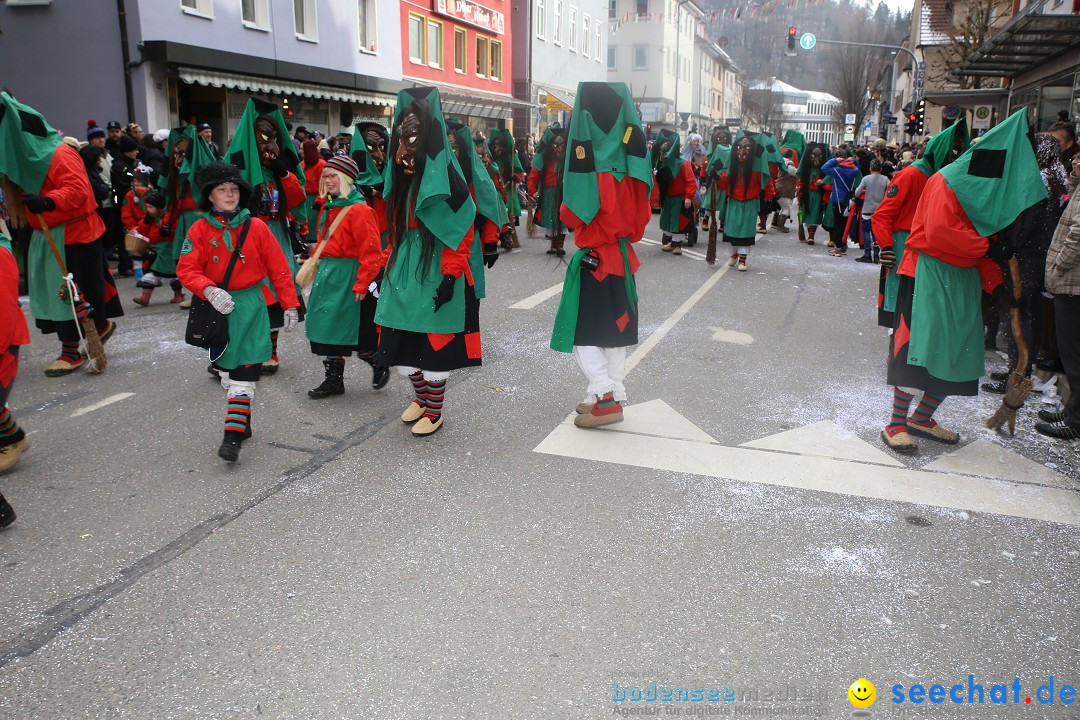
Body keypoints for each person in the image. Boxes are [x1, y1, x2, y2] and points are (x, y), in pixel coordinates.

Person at [881, 109, 1047, 454]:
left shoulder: (985, 192)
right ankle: (896, 423)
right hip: (926, 275)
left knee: (958, 353)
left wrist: (998, 286)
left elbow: (984, 243)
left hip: (962, 282)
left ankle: (922, 418)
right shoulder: (945, 180)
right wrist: (990, 248)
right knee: (916, 352)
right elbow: (942, 233)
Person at [371, 87, 480, 437]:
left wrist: (450, 277)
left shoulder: (449, 181)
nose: (403, 151)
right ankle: (421, 398)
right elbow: (395, 232)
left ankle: (435, 410)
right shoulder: (402, 183)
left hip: (434, 267)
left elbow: (460, 232)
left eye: (413, 138)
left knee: (433, 345)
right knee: (400, 343)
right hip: (404, 269)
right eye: (399, 141)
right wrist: (382, 265)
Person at [177, 163, 300, 462]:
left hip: (251, 307)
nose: (229, 195)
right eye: (222, 190)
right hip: (217, 310)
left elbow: (279, 268)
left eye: (234, 189)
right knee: (226, 371)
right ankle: (241, 419)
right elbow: (186, 268)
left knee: (245, 372)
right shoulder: (199, 229)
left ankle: (231, 437)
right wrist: (208, 289)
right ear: (210, 196)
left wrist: (290, 304)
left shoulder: (256, 227)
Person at [549, 81, 652, 427]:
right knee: (614, 330)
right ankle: (605, 393)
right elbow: (641, 219)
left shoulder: (589, 169)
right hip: (623, 259)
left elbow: (574, 214)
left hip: (595, 260)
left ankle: (604, 396)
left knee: (585, 333)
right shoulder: (632, 169)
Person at [0, 92, 122, 376]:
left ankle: (73, 349)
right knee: (60, 293)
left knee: (68, 294)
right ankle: (96, 330)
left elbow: (79, 190)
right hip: (49, 233)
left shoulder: (60, 152)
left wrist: (49, 200)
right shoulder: (31, 161)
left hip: (73, 233)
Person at [225, 98, 308, 375]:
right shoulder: (237, 170)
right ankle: (239, 350)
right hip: (245, 239)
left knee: (274, 291)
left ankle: (270, 352)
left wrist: (284, 172)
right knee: (249, 295)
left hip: (275, 236)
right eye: (263, 139)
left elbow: (298, 198)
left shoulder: (278, 171)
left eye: (274, 139)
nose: (270, 146)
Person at [981, 134, 1066, 391]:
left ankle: (1017, 374)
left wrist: (1009, 246)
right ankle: (1021, 372)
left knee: (1016, 315)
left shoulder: (1038, 181)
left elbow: (1027, 222)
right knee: (1032, 315)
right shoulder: (1059, 178)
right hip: (1041, 257)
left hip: (1026, 259)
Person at [304, 155, 388, 398]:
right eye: (325, 176)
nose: (327, 181)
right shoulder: (328, 206)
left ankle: (376, 361)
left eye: (333, 176)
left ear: (347, 179)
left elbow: (371, 251)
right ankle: (334, 380)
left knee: (354, 330)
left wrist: (363, 282)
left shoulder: (360, 210)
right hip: (329, 273)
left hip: (349, 275)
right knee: (329, 327)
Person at [873, 119, 970, 328]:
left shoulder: (942, 177)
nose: (957, 156)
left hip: (929, 249)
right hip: (904, 246)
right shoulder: (912, 174)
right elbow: (883, 214)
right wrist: (887, 246)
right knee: (902, 306)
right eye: (953, 150)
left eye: (960, 149)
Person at [138, 126, 214, 307]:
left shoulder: (200, 173)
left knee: (204, 257)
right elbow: (171, 201)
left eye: (183, 155)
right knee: (187, 258)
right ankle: (196, 292)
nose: (179, 159)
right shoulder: (175, 178)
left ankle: (204, 292)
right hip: (183, 220)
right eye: (176, 155)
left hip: (200, 218)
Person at [1037, 153, 1080, 439]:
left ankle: (1076, 421)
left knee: (1075, 357)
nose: (1075, 158)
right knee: (1071, 355)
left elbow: (1078, 233)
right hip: (1070, 282)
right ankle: (1072, 412)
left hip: (1074, 283)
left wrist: (1058, 265)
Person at [448, 122, 505, 302]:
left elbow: (487, 208)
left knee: (468, 291)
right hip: (440, 243)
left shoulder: (476, 179)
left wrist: (490, 244)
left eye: (455, 149)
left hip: (469, 242)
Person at [712, 131, 775, 271]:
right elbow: (724, 181)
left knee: (745, 231)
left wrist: (769, 196)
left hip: (749, 203)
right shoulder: (732, 167)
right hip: (733, 202)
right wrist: (716, 177)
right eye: (739, 147)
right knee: (732, 229)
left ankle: (743, 259)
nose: (742, 151)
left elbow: (766, 180)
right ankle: (733, 254)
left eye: (746, 148)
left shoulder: (756, 168)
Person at [0, 217, 31, 490]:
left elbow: (4, 309)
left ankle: (10, 439)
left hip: (2, 339)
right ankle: (14, 435)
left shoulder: (1, 256)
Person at [650, 129, 697, 256]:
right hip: (668, 197)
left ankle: (678, 245)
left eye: (665, 152)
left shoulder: (683, 163)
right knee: (669, 220)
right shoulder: (662, 164)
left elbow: (690, 181)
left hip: (679, 198)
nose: (663, 155)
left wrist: (688, 197)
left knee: (678, 221)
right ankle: (672, 242)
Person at [527, 123, 569, 256]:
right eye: (555, 145)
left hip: (563, 193)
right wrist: (532, 190)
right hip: (549, 193)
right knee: (551, 220)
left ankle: (559, 245)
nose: (559, 149)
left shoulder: (567, 160)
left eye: (562, 145)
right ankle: (553, 245)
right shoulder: (545, 160)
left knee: (562, 220)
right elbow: (534, 174)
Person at [350, 122, 390, 243]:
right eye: (371, 148)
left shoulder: (392, 183)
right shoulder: (349, 186)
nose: (379, 154)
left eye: (382, 148)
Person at [821, 148, 861, 257]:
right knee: (844, 223)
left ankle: (838, 247)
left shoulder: (837, 170)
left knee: (837, 224)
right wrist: (852, 160)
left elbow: (824, 168)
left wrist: (835, 161)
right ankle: (843, 245)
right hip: (848, 199)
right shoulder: (854, 170)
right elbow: (858, 165)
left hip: (837, 199)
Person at [852, 159, 889, 263]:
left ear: (870, 169)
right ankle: (876, 255)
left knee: (866, 232)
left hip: (867, 209)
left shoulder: (866, 179)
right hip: (879, 211)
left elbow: (858, 192)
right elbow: (891, 190)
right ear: (881, 169)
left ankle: (867, 255)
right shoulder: (885, 179)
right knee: (876, 234)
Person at [488, 128, 523, 233]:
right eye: (495, 146)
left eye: (499, 146)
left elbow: (519, 172)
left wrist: (515, 177)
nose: (497, 148)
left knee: (508, 211)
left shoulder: (510, 158)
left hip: (508, 190)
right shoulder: (490, 159)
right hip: (495, 191)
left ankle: (507, 235)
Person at [797, 143, 830, 245]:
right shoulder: (807, 169)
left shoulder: (824, 170)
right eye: (813, 156)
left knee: (815, 215)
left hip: (819, 194)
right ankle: (809, 235)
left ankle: (811, 236)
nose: (816, 160)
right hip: (807, 194)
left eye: (819, 156)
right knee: (807, 214)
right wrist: (799, 189)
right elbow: (801, 179)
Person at [701, 126, 732, 232]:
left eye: (724, 138)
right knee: (710, 201)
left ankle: (722, 223)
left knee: (724, 203)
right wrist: (704, 180)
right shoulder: (712, 153)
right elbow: (705, 167)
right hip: (714, 181)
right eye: (719, 138)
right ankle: (705, 219)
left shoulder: (731, 151)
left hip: (726, 181)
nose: (722, 140)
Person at [301, 139, 325, 242]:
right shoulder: (302, 164)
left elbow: (324, 186)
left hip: (315, 200)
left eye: (302, 149)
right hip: (303, 199)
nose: (300, 150)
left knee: (314, 226)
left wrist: (319, 201)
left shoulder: (321, 165)